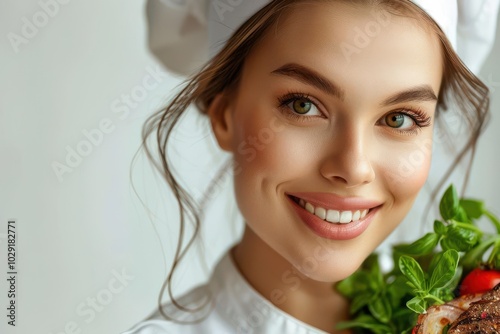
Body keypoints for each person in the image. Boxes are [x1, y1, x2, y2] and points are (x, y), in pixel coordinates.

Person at [123, 0, 498, 333]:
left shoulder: (474, 312)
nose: (353, 167)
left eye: (399, 119)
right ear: (225, 117)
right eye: (302, 105)